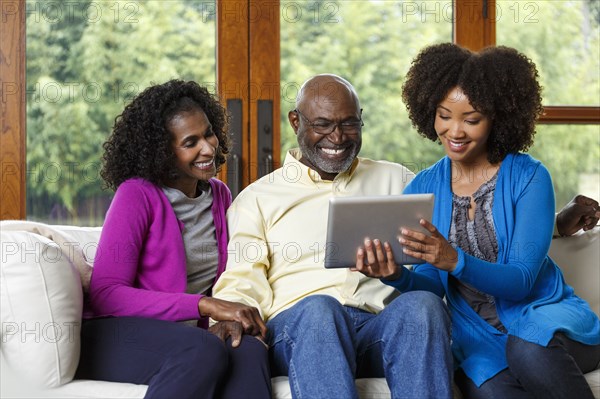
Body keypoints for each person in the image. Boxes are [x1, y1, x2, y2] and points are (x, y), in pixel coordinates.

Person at [353, 43, 600, 399]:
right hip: (477, 338)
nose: (455, 131)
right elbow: (432, 286)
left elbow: (522, 279)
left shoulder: (529, 177)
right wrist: (395, 275)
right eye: (444, 115)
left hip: (548, 320)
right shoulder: (422, 188)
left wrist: (453, 258)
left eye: (471, 119)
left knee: (527, 349)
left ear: (497, 118)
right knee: (491, 389)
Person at [213, 74, 455, 399]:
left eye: (349, 124)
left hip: (376, 328)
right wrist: (233, 312)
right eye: (323, 124)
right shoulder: (257, 198)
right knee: (321, 309)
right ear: (295, 121)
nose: (337, 137)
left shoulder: (398, 180)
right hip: (300, 328)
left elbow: (430, 265)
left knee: (423, 306)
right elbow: (242, 280)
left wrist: (397, 273)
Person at [76, 80, 271, 399]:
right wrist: (205, 305)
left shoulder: (219, 195)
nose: (208, 148)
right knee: (202, 349)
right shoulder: (136, 195)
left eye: (208, 133)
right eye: (190, 142)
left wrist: (225, 317)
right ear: (163, 151)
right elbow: (106, 294)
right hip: (117, 336)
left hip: (190, 334)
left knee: (247, 349)